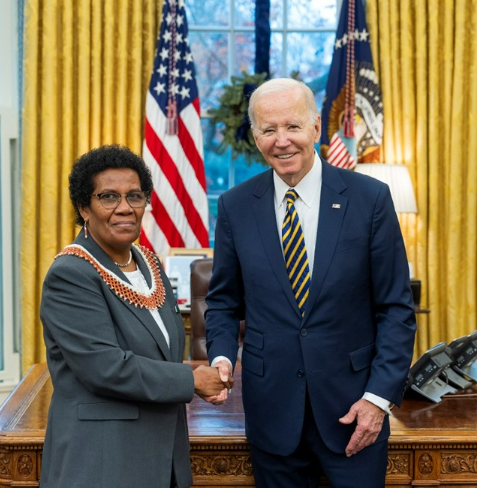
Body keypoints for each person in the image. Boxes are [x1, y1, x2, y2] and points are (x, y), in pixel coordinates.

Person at [204, 79, 417, 487]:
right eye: (268, 130)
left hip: (355, 411)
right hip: (271, 413)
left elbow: (395, 309)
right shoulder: (235, 206)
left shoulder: (369, 198)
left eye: (292, 127)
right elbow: (224, 303)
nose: (281, 141)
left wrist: (377, 400)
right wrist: (221, 357)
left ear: (316, 128)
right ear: (255, 136)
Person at [39, 145, 230, 488]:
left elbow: (161, 353)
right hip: (102, 459)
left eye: (135, 196)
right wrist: (193, 380)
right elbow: (105, 367)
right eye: (108, 197)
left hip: (161, 454)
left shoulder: (148, 262)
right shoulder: (71, 273)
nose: (124, 208)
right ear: (84, 207)